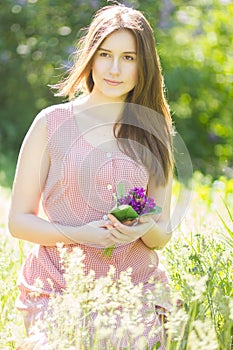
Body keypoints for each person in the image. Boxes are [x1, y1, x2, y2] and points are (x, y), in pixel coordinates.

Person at [8, 4, 174, 349]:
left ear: (145, 65)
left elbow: (161, 233)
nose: (115, 69)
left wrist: (144, 228)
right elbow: (18, 222)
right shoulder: (51, 123)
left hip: (133, 289)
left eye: (129, 57)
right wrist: (79, 235)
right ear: (90, 58)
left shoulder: (154, 133)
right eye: (105, 54)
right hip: (58, 285)